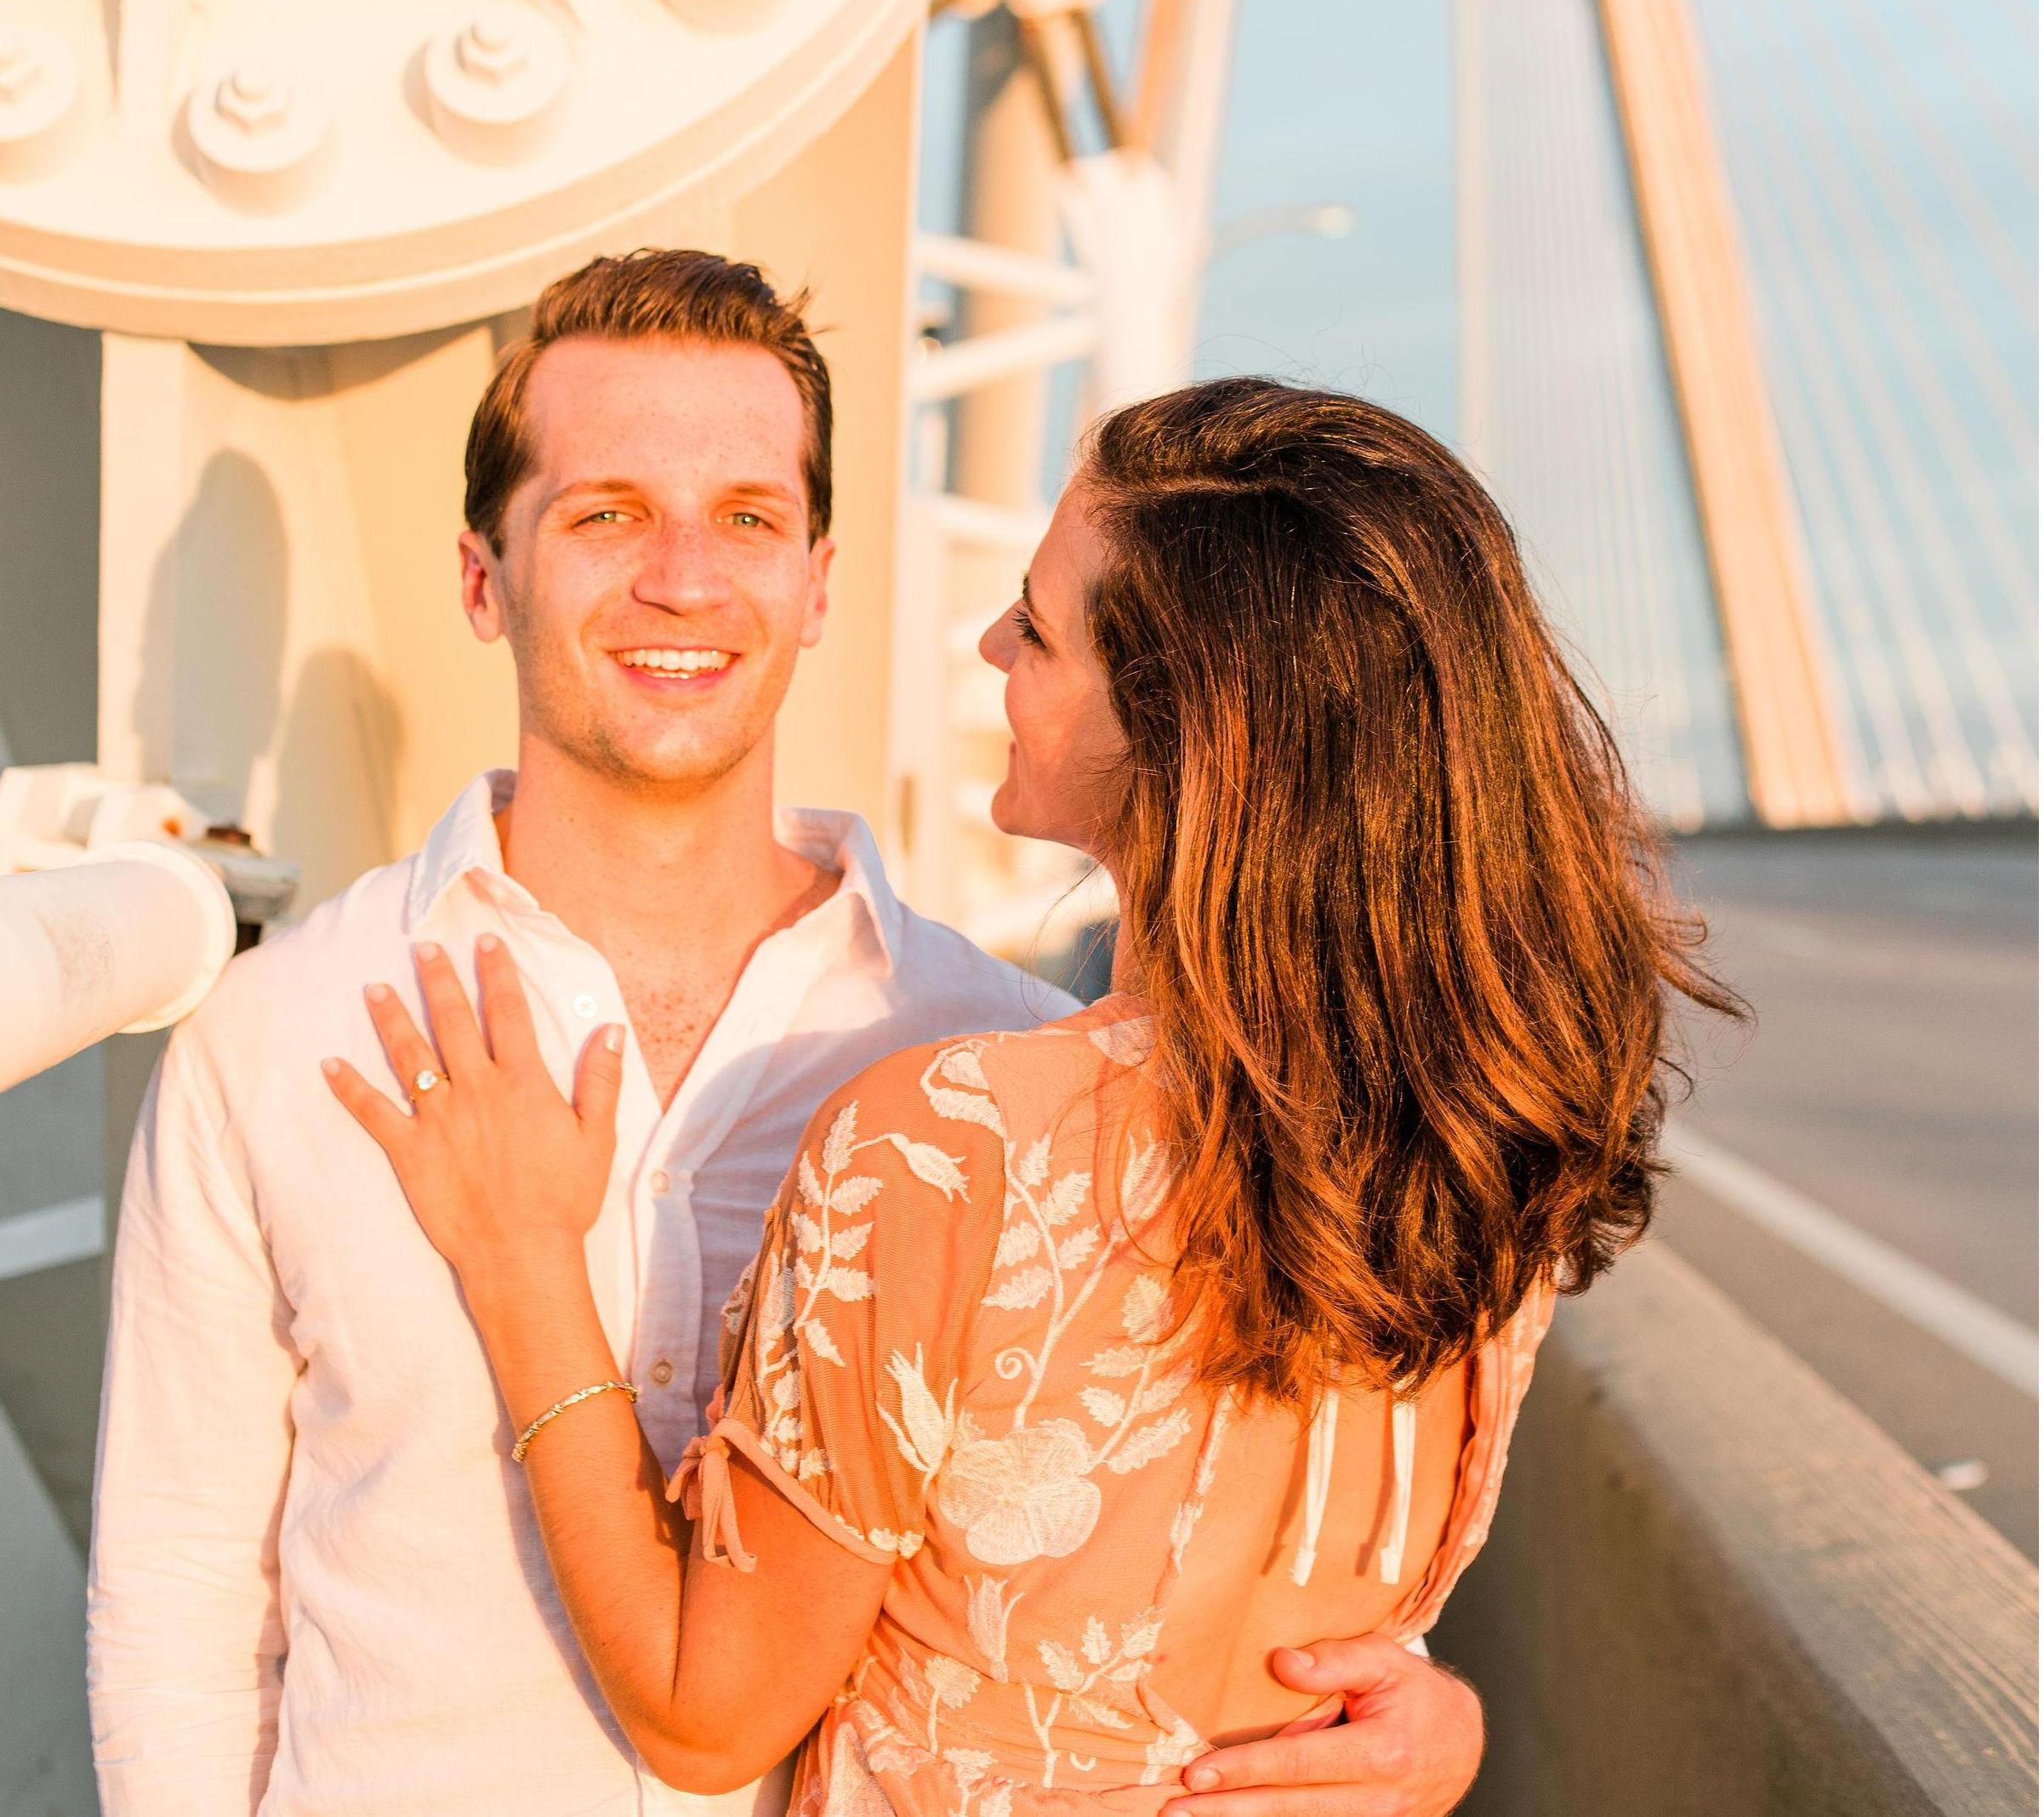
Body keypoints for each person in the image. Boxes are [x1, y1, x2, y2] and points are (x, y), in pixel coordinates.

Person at [88, 256, 1488, 1817]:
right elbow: (177, 1601)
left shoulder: (1002, 1064)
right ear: (486, 577)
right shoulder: (277, 1038)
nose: (684, 577)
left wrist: (1413, 1704)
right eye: (606, 512)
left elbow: (1205, 1536)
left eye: (747, 517)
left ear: (819, 579)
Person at [325, 376, 1737, 1814]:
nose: (991, 641)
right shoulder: (1480, 1152)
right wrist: (1439, 1734)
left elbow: (705, 1720)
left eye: (1041, 630)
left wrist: (521, 1268)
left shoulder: (951, 1148)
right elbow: (1337, 1657)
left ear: (1193, 732)